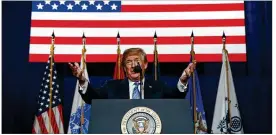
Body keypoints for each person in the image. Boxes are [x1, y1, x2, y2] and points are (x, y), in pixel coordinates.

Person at [69, 48, 196, 104]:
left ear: (145, 65)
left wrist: (183, 79)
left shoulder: (158, 86)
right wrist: (81, 79)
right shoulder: (112, 86)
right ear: (124, 68)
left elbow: (176, 97)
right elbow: (92, 98)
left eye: (137, 61)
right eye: (129, 62)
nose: (133, 65)